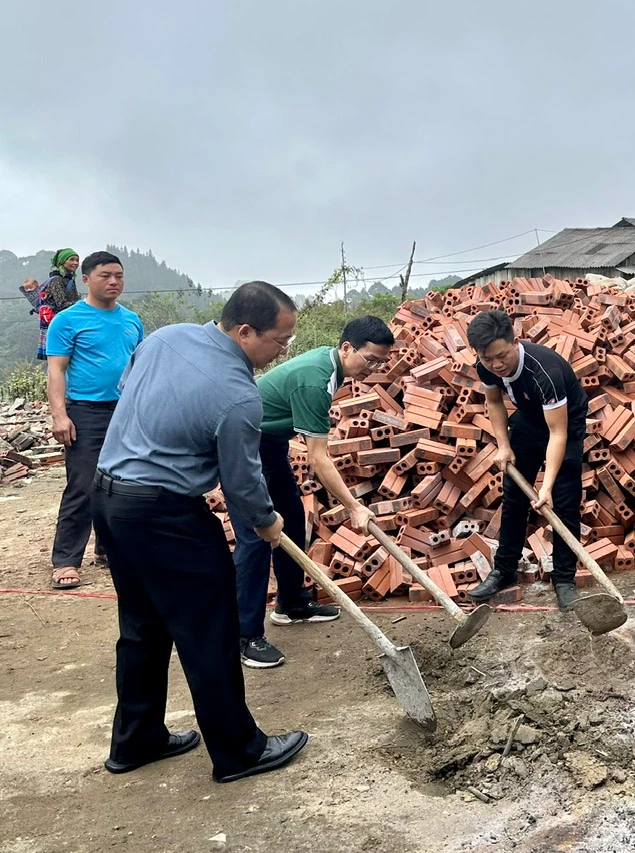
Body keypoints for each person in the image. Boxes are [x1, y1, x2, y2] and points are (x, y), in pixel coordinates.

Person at [93, 281, 308, 782]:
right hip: (164, 516)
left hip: (109, 500)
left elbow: (132, 394)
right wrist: (268, 521)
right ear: (245, 330)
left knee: (143, 625)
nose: (281, 353)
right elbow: (241, 485)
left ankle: (136, 739)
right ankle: (240, 751)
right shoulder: (238, 397)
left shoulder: (166, 337)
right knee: (209, 629)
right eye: (279, 342)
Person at [229, 315, 395, 668]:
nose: (374, 368)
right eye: (371, 360)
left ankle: (291, 603)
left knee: (290, 517)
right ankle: (245, 636)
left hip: (269, 440)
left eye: (382, 362)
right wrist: (353, 507)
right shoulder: (315, 380)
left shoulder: (332, 363)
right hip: (244, 443)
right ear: (347, 347)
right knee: (255, 535)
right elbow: (319, 459)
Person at [465, 310, 589, 610]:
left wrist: (545, 487)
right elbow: (493, 402)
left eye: (501, 356)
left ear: (515, 342)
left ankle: (563, 580)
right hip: (529, 421)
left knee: (564, 501)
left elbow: (557, 433)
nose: (496, 365)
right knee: (514, 498)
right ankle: (504, 571)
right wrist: (504, 446)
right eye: (486, 358)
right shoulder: (487, 367)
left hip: (566, 426)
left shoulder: (544, 371)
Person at [45, 251, 144, 590]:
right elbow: (56, 369)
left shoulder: (132, 320)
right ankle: (66, 560)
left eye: (118, 275)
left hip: (126, 411)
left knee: (125, 482)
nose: (114, 281)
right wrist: (60, 414)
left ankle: (109, 547)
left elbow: (139, 369)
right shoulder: (68, 320)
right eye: (105, 275)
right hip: (85, 411)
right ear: (86, 279)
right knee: (84, 484)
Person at [20, 249, 81, 360]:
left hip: (67, 323)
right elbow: (62, 304)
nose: (76, 263)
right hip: (59, 326)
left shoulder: (68, 279)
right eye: (71, 259)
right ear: (62, 262)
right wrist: (82, 303)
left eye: (77, 260)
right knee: (59, 362)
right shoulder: (56, 280)